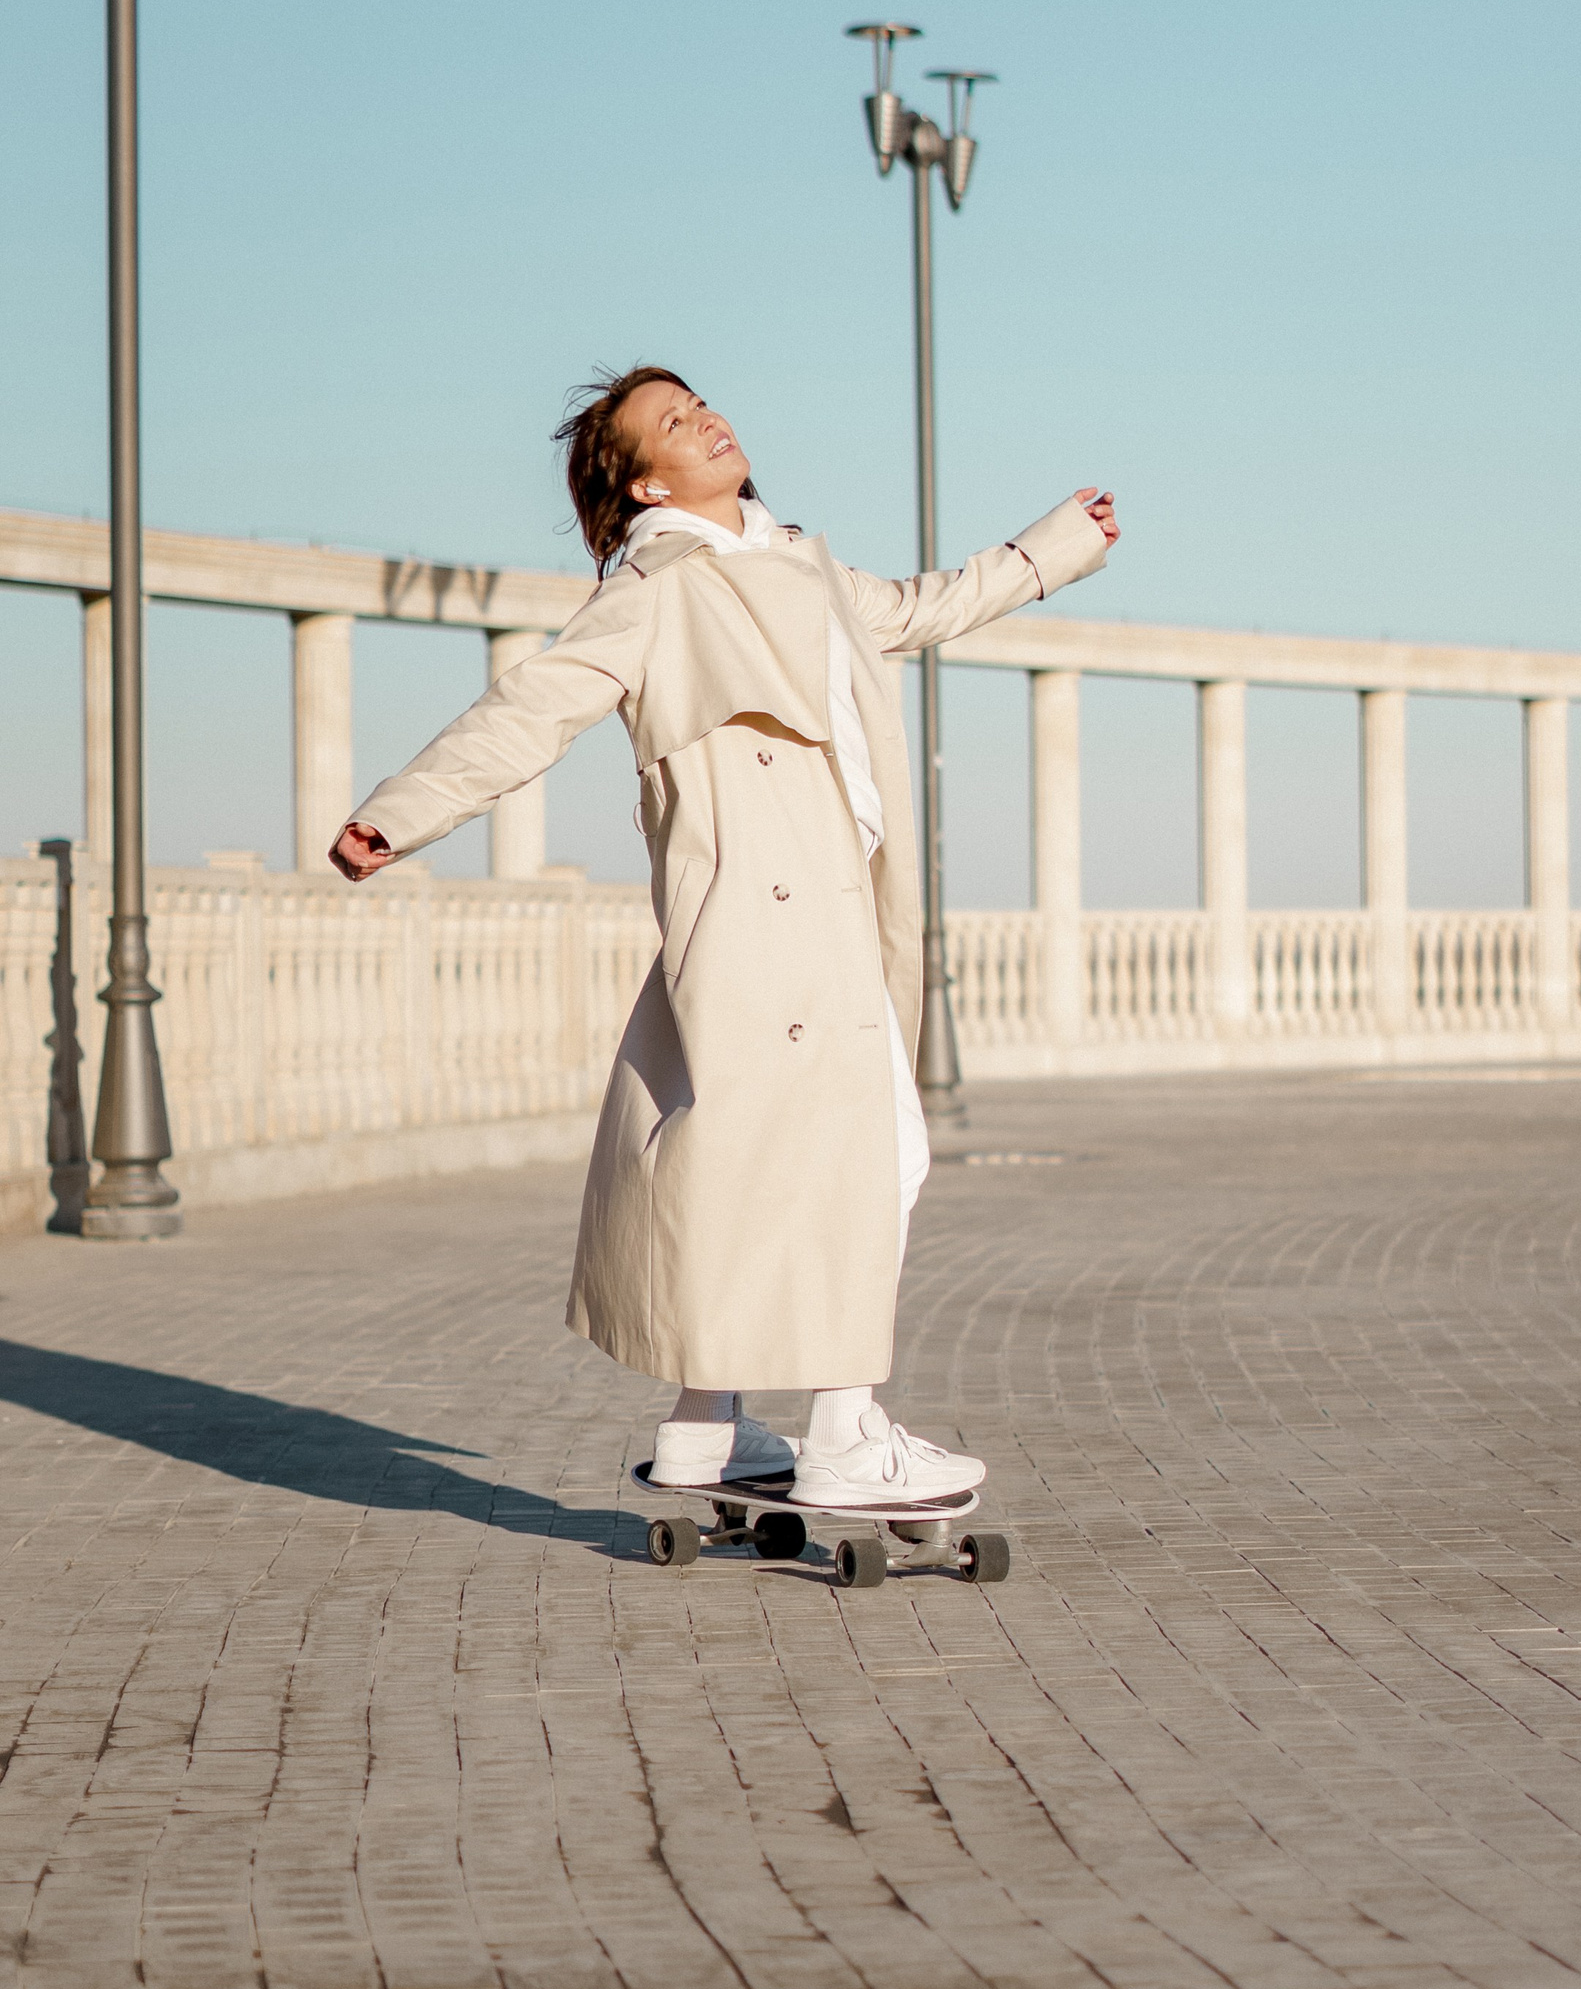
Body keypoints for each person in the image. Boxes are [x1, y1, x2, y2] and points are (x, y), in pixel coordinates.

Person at [331, 367, 1119, 1508]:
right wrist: (402, 812)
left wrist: (1050, 550)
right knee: (871, 1154)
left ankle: (707, 1430)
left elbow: (917, 607)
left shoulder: (795, 562)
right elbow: (532, 705)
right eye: (672, 422)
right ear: (647, 486)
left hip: (820, 907)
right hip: (765, 911)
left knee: (754, 1159)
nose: (705, 420)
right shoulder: (657, 591)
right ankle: (845, 1438)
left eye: (698, 403)